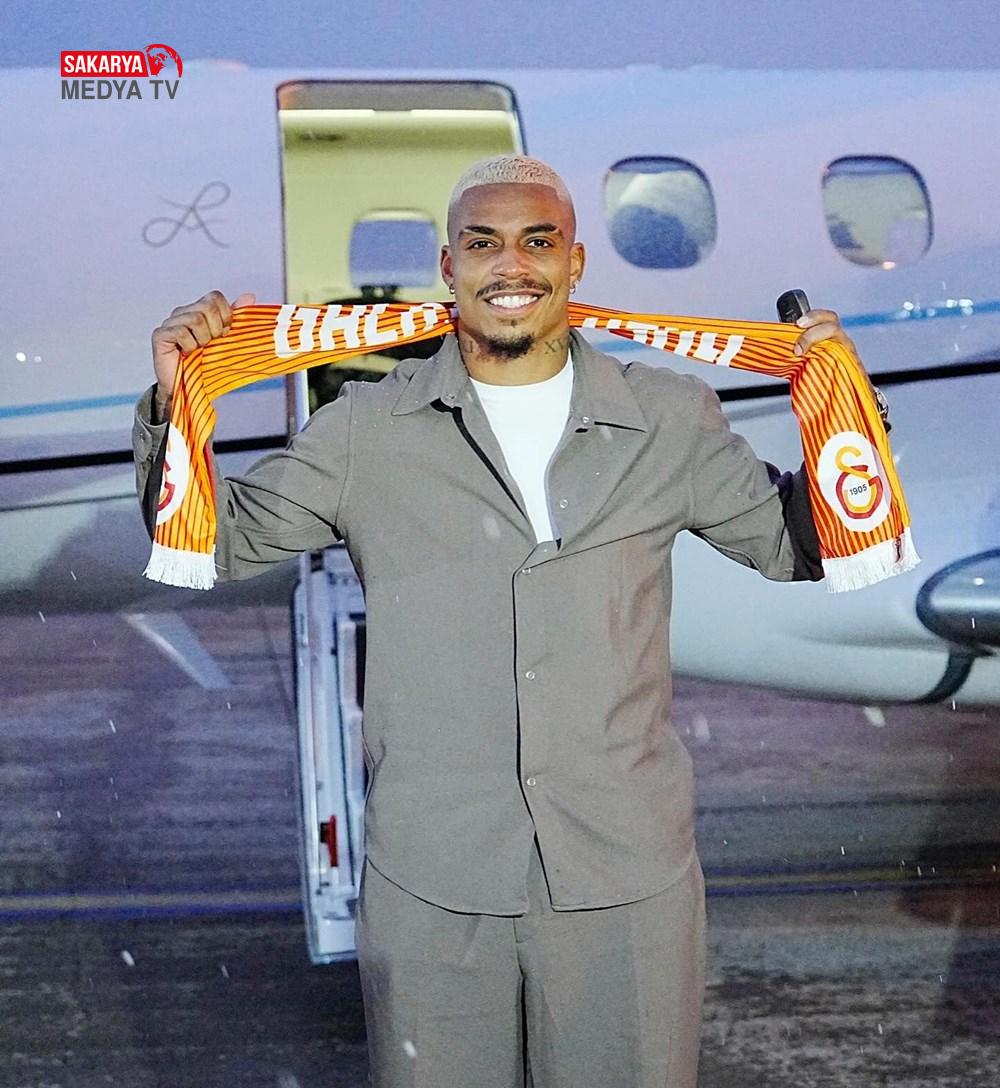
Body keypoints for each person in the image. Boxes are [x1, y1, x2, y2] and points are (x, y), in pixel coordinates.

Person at [133, 155, 880, 1088]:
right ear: (449, 267)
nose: (511, 265)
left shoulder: (668, 420)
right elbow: (213, 544)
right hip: (434, 882)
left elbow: (799, 545)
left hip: (625, 881)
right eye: (484, 244)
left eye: (537, 241)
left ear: (575, 262)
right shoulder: (367, 430)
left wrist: (847, 412)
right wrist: (175, 398)